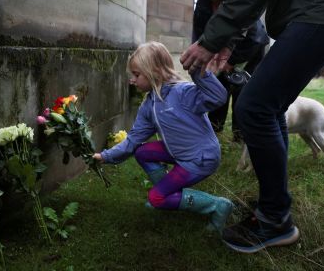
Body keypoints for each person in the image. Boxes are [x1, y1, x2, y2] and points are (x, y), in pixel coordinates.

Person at [180, 0, 324, 253]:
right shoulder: (203, 5)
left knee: (253, 106)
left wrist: (210, 40)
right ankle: (274, 207)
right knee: (269, 108)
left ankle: (274, 219)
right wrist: (226, 42)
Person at [93, 41, 233, 233]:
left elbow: (218, 97)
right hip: (179, 151)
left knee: (156, 199)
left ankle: (217, 206)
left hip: (200, 159)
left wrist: (197, 70)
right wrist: (106, 156)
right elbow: (133, 140)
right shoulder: (149, 104)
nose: (131, 80)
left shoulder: (183, 93)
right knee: (142, 152)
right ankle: (169, 192)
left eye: (136, 74)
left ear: (155, 72)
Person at [193, 0, 269, 139]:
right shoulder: (202, 4)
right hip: (220, 55)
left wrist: (230, 63)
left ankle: (240, 135)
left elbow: (254, 37)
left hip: (250, 50)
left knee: (243, 92)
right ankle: (214, 131)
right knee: (218, 88)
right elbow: (200, 35)